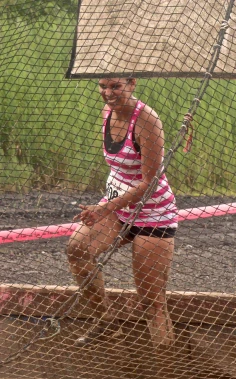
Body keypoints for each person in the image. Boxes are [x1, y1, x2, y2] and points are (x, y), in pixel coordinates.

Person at [67, 77, 178, 350]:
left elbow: (149, 182)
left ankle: (168, 376)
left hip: (153, 213)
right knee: (77, 249)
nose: (107, 93)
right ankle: (105, 322)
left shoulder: (148, 121)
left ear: (131, 84)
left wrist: (104, 208)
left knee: (151, 301)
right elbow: (120, 168)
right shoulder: (107, 112)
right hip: (118, 206)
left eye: (115, 86)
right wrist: (108, 204)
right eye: (102, 87)